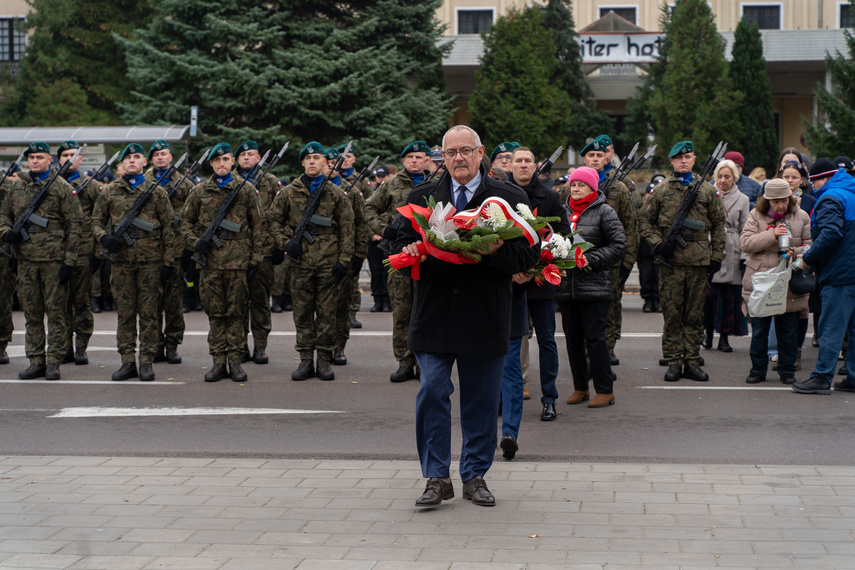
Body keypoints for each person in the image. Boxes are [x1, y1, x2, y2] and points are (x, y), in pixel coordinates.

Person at [396, 125, 539, 508]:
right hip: (434, 314)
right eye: (451, 152)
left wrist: (496, 251)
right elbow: (395, 238)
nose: (458, 158)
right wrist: (409, 246)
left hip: (485, 315)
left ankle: (475, 475)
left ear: (481, 153)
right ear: (442, 158)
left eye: (466, 150)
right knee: (431, 390)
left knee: (480, 399)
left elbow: (528, 257)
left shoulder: (508, 196)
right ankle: (436, 476)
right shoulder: (423, 195)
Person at [639, 141, 726, 383]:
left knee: (695, 315)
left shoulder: (707, 191)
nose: (683, 161)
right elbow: (644, 221)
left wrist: (717, 255)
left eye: (687, 156)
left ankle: (692, 360)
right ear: (672, 162)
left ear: (694, 159)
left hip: (699, 260)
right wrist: (658, 244)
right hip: (671, 261)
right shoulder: (662, 190)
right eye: (679, 158)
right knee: (673, 315)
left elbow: (719, 225)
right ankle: (674, 362)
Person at [180, 143, 265, 383]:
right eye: (217, 160)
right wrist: (196, 243)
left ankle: (236, 363)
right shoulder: (199, 191)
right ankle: (218, 362)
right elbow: (184, 223)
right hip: (209, 264)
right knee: (216, 315)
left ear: (232, 162)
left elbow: (259, 226)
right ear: (211, 164)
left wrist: (255, 260)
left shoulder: (245, 189)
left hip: (238, 264)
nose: (221, 164)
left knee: (236, 314)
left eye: (226, 159)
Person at [270, 142, 354, 382]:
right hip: (300, 264)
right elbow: (273, 223)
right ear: (302, 162)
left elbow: (348, 229)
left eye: (317, 157)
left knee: (327, 315)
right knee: (303, 314)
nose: (312, 162)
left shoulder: (336, 194)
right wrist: (286, 243)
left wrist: (344, 261)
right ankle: (306, 360)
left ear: (324, 162)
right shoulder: (288, 192)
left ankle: (324, 361)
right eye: (308, 158)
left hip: (329, 264)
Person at [93, 143, 174, 382]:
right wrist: (104, 237)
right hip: (122, 263)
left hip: (150, 263)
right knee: (125, 315)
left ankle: (147, 361)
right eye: (127, 158)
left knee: (150, 314)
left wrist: (168, 262)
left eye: (137, 157)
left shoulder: (157, 191)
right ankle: (127, 361)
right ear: (121, 164)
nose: (131, 161)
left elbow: (169, 228)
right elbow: (95, 222)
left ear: (144, 163)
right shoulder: (109, 192)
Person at [0, 141, 81, 380]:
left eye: (39, 157)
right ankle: (36, 360)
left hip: (54, 261)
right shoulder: (17, 188)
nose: (34, 161)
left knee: (56, 313)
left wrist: (70, 260)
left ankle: (54, 362)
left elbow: (75, 226)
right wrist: (6, 233)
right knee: (32, 314)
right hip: (25, 260)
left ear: (49, 160)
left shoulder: (62, 188)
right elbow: (3, 214)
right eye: (31, 158)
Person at [507, 147, 570, 420]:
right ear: (510, 165)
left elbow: (564, 237)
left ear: (535, 166)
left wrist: (538, 268)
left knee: (546, 340)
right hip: (509, 282)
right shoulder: (499, 195)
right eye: (518, 161)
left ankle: (549, 398)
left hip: (541, 282)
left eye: (527, 161)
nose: (523, 165)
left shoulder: (551, 197)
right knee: (510, 343)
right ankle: (506, 397)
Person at [558, 166, 626, 410]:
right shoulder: (562, 211)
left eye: (581, 185)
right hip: (568, 288)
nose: (575, 189)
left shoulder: (604, 212)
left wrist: (591, 258)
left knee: (595, 341)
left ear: (592, 188)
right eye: (573, 184)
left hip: (594, 288)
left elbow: (619, 246)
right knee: (572, 340)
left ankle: (605, 390)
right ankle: (581, 387)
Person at [364, 141, 431, 382]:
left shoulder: (435, 182)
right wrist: (385, 230)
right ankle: (404, 361)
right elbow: (368, 208)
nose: (414, 160)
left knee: (425, 311)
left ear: (426, 160)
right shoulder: (391, 183)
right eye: (410, 157)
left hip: (428, 258)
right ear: (403, 161)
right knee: (402, 311)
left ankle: (425, 363)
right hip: (399, 257)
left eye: (419, 156)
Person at [739, 178, 811, 384]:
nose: (781, 205)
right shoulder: (756, 215)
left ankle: (787, 370)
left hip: (788, 281)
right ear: (767, 200)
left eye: (784, 200)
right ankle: (757, 370)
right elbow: (745, 243)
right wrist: (771, 234)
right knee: (760, 329)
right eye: (775, 201)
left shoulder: (802, 216)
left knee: (788, 330)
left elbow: (810, 246)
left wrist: (794, 251)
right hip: (761, 280)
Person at [793, 160, 855, 394]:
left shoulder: (831, 197)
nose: (814, 186)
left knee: (830, 327)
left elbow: (831, 233)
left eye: (815, 181)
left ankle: (821, 377)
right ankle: (853, 378)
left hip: (840, 274)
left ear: (824, 178)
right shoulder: (852, 192)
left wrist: (807, 260)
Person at [579, 135, 637, 366]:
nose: (595, 159)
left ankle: (605, 354)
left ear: (607, 159)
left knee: (610, 310)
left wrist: (627, 262)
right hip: (580, 260)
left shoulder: (619, 188)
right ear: (584, 159)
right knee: (581, 312)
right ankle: (585, 356)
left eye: (599, 155)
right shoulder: (571, 186)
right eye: (591, 155)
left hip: (611, 262)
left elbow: (631, 225)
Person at [146, 140, 195, 366]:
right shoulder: (144, 181)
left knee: (173, 303)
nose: (160, 157)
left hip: (175, 250)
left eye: (163, 153)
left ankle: (172, 346)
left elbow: (191, 217)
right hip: (149, 250)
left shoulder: (183, 183)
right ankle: (155, 346)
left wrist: (187, 247)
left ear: (170, 156)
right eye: (156, 154)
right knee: (151, 303)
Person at [234, 140, 278, 365]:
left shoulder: (270, 181)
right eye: (242, 155)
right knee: (237, 302)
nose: (246, 158)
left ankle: (260, 346)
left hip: (263, 252)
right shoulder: (230, 182)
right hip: (235, 252)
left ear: (258, 157)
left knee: (260, 301)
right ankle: (240, 346)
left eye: (251, 154)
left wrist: (278, 246)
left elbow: (279, 216)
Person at [56, 140, 100, 366]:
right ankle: (64, 346)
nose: (69, 159)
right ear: (58, 159)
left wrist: (97, 252)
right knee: (60, 303)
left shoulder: (91, 186)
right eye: (65, 155)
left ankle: (81, 346)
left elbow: (103, 219)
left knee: (81, 302)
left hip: (83, 252)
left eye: (73, 155)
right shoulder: (51, 185)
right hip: (56, 253)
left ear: (80, 159)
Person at [327, 146, 369, 365]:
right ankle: (320, 349)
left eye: (335, 162)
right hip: (316, 259)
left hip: (345, 258)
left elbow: (362, 224)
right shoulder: (311, 189)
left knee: (342, 307)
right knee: (319, 308)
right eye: (327, 162)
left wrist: (358, 256)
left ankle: (339, 348)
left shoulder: (350, 190)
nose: (331, 166)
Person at [703, 159, 749, 352]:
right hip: (710, 245)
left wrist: (744, 257)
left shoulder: (743, 199)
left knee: (729, 299)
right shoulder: (707, 194)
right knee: (709, 297)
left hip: (732, 248)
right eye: (719, 176)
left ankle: (724, 338)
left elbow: (746, 228)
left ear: (734, 178)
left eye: (727, 177)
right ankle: (707, 335)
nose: (722, 180)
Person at [335, 143, 371, 337]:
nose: (344, 160)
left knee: (352, 281)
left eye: (348, 157)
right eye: (341, 157)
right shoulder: (328, 181)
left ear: (353, 159)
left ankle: (352, 312)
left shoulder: (359, 182)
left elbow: (368, 208)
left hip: (352, 235)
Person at [638, 173, 666, 313]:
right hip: (645, 250)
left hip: (660, 249)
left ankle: (658, 300)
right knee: (646, 276)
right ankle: (648, 300)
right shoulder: (642, 211)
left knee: (659, 276)